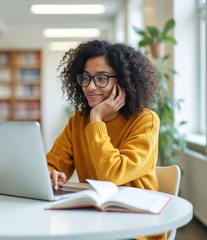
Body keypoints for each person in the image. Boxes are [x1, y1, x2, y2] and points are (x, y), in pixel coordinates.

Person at [46, 40, 164, 240]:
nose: (90, 86)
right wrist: (50, 174)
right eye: (86, 77)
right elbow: (52, 164)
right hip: (94, 221)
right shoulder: (77, 121)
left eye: (102, 78)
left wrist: (96, 119)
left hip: (137, 226)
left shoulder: (145, 120)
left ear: (124, 81)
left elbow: (112, 174)